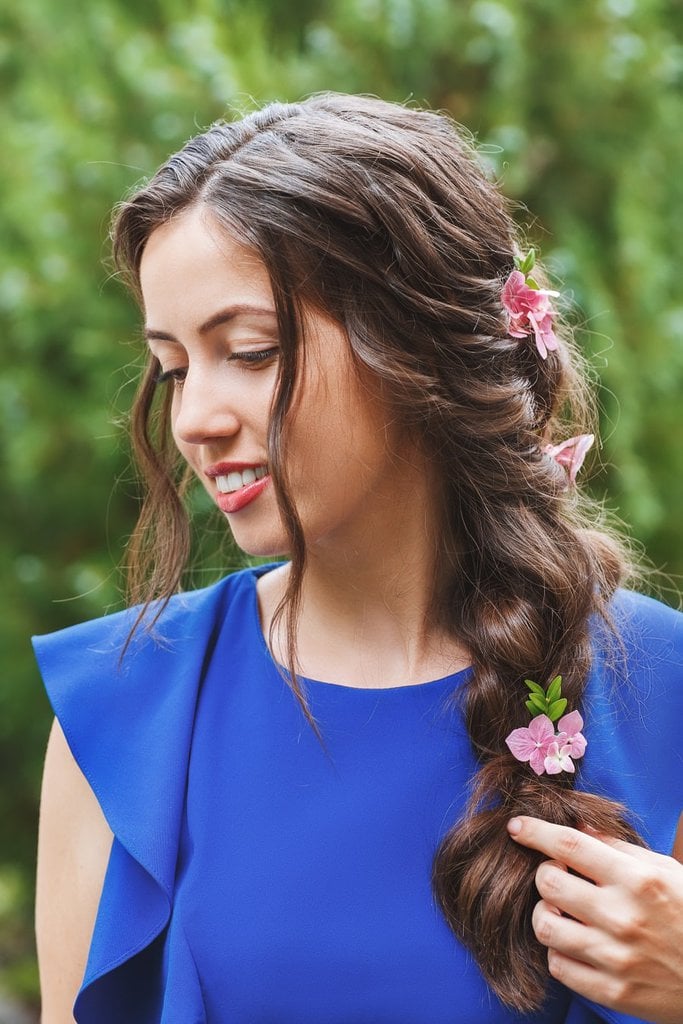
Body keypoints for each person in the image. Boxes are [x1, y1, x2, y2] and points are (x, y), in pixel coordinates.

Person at [33, 93, 683, 1024]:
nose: (194, 420)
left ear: (413, 343)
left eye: (249, 353)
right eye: (176, 367)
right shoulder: (124, 714)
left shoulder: (659, 685)